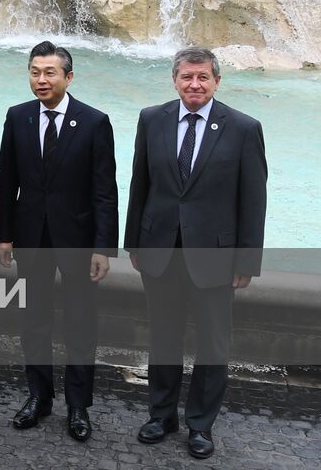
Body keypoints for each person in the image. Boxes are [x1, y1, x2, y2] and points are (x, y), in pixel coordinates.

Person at [124, 47, 267, 461]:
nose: (195, 84)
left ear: (217, 81)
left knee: (213, 345)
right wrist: (134, 242)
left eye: (203, 77)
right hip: (160, 251)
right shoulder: (152, 119)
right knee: (163, 338)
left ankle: (201, 424)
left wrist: (247, 261)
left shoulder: (243, 128)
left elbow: (253, 199)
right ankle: (161, 415)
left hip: (216, 258)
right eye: (187, 76)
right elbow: (140, 183)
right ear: (175, 80)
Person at [0, 42, 117, 443]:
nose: (41, 80)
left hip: (78, 239)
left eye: (49, 73)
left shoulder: (95, 122)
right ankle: (38, 396)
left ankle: (78, 405)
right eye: (35, 72)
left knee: (80, 323)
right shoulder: (18, 117)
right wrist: (5, 235)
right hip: (30, 237)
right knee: (33, 321)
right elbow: (6, 181)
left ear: (68, 77)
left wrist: (103, 248)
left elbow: (105, 191)